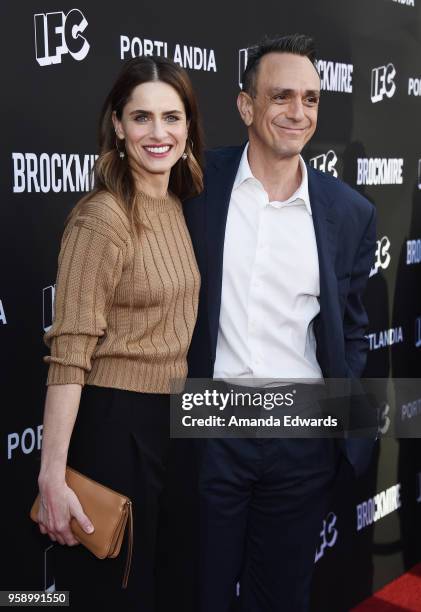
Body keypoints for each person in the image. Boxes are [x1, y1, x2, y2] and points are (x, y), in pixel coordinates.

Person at [183, 34, 376, 612]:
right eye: (282, 96)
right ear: (246, 106)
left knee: (283, 597)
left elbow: (352, 329)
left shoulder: (349, 212)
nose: (299, 113)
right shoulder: (194, 186)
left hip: (301, 441)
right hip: (209, 429)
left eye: (312, 100)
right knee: (200, 593)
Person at [35, 55, 203, 611]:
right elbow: (70, 354)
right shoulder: (101, 219)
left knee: (166, 589)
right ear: (117, 125)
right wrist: (52, 478)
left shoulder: (178, 206)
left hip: (172, 427)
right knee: (117, 597)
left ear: (188, 127)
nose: (159, 133)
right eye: (142, 117)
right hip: (115, 430)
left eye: (172, 117)